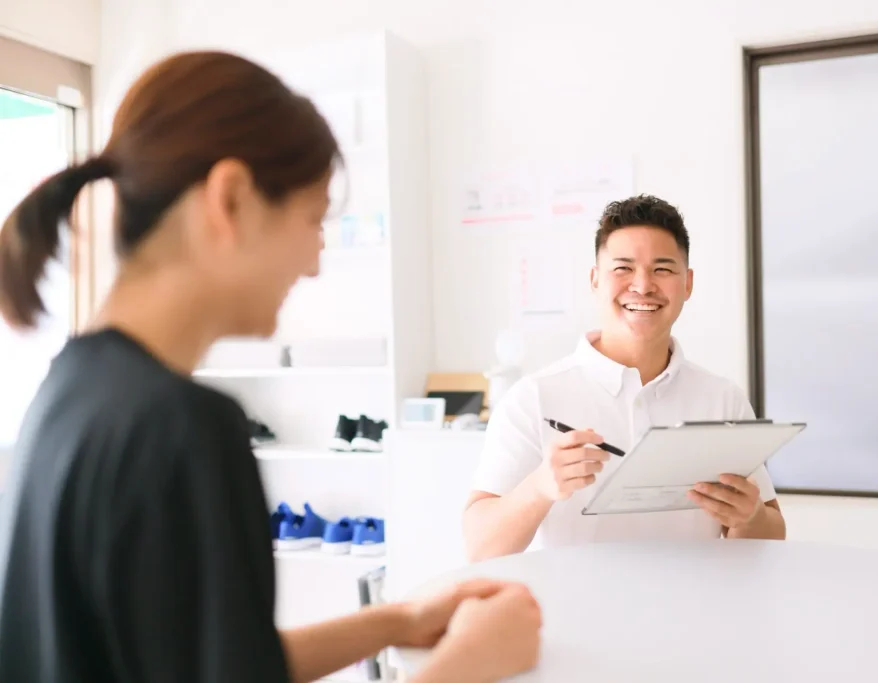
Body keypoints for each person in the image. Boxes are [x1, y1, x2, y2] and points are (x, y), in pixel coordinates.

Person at [0, 51, 541, 683]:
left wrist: (397, 621)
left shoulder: (71, 391)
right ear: (230, 199)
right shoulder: (183, 428)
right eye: (312, 221)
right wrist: (470, 665)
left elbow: (205, 660)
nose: (313, 264)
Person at [464, 194, 786, 560]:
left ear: (687, 283)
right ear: (595, 280)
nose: (643, 285)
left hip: (695, 613)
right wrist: (539, 487)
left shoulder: (721, 399)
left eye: (662, 269)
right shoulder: (534, 398)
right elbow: (480, 548)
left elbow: (772, 536)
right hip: (574, 614)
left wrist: (751, 516)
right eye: (623, 269)